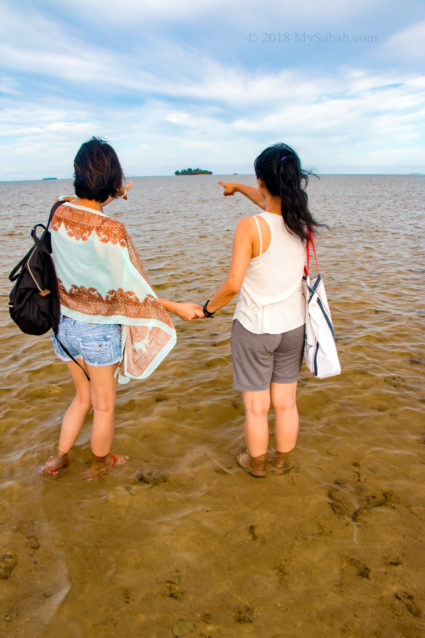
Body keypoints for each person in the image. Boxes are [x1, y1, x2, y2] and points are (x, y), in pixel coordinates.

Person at [39, 137, 202, 480]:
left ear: (77, 173)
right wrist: (176, 308)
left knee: (81, 398)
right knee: (104, 405)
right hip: (97, 332)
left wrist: (111, 192)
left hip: (64, 326)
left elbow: (75, 202)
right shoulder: (113, 232)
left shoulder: (58, 212)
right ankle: (100, 465)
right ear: (114, 179)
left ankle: (58, 458)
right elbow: (135, 291)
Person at [202, 143, 320, 477]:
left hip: (255, 328)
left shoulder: (249, 227)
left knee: (256, 409)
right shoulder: (301, 221)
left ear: (262, 180)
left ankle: (255, 466)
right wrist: (239, 188)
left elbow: (233, 285)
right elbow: (269, 205)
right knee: (285, 404)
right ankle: (280, 464)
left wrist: (207, 310)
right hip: (294, 327)